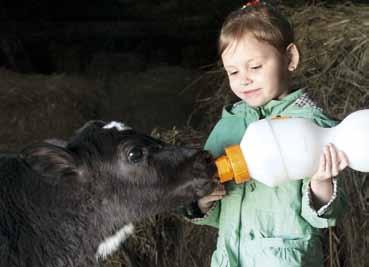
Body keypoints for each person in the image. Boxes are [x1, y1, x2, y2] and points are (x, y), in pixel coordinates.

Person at [185, 1, 349, 266]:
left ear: (290, 58)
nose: (244, 79)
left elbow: (323, 217)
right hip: (229, 259)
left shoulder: (311, 126)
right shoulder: (229, 124)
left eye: (255, 67)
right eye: (233, 72)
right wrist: (201, 201)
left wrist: (321, 182)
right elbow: (213, 207)